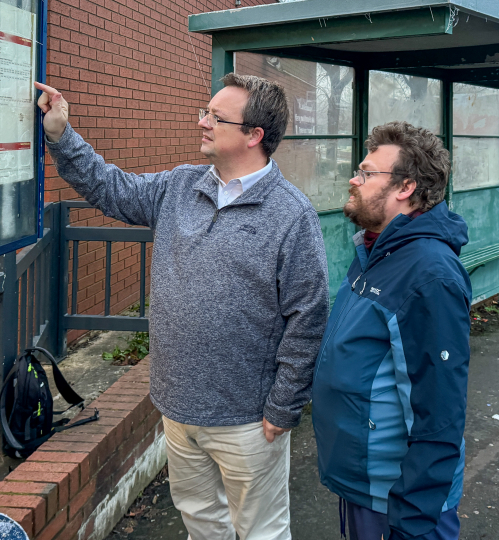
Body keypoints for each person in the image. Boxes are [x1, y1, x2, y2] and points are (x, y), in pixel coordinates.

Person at [34, 74, 329, 540]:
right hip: (177, 407)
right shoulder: (180, 186)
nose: (203, 122)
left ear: (254, 135)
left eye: (217, 117)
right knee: (201, 523)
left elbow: (308, 316)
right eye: (205, 111)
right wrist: (60, 134)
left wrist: (282, 407)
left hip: (249, 420)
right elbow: (110, 188)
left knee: (261, 532)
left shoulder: (292, 215)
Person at [312, 121, 472, 540]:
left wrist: (413, 522)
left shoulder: (429, 274)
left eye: (366, 173)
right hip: (363, 483)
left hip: (399, 501)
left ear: (405, 188)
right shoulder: (373, 249)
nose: (354, 179)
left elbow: (440, 414)